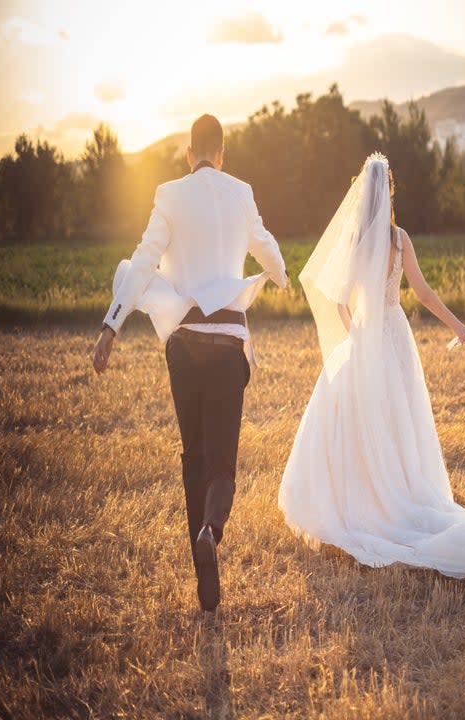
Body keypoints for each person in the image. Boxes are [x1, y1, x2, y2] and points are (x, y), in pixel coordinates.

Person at [279, 153, 465, 582]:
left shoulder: (354, 241)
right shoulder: (399, 240)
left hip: (367, 335)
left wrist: (355, 333)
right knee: (399, 418)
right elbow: (422, 293)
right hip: (395, 334)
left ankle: (361, 499)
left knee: (358, 417)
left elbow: (338, 299)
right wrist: (461, 326)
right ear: (391, 193)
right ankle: (398, 492)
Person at [92, 114, 289, 612]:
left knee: (193, 455)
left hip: (183, 344)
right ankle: (210, 531)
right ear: (221, 153)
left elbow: (141, 262)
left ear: (189, 153)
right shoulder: (240, 192)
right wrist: (280, 275)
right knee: (223, 465)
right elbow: (266, 247)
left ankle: (200, 565)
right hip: (227, 341)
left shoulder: (168, 194)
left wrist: (112, 326)